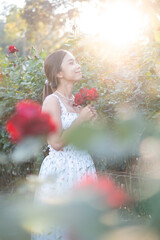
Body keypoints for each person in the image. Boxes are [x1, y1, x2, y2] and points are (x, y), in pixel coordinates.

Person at [31, 49, 97, 240]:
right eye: (71, 62)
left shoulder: (78, 103)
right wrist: (80, 120)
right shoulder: (52, 101)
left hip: (83, 167)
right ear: (59, 73)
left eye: (77, 61)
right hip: (61, 173)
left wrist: (90, 123)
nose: (78, 66)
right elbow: (56, 142)